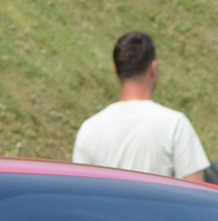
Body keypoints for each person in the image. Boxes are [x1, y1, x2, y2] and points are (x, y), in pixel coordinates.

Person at [72, 32, 210, 182]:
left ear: (116, 71)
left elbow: (80, 189)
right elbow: (196, 189)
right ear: (153, 68)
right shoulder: (174, 125)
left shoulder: (90, 128)